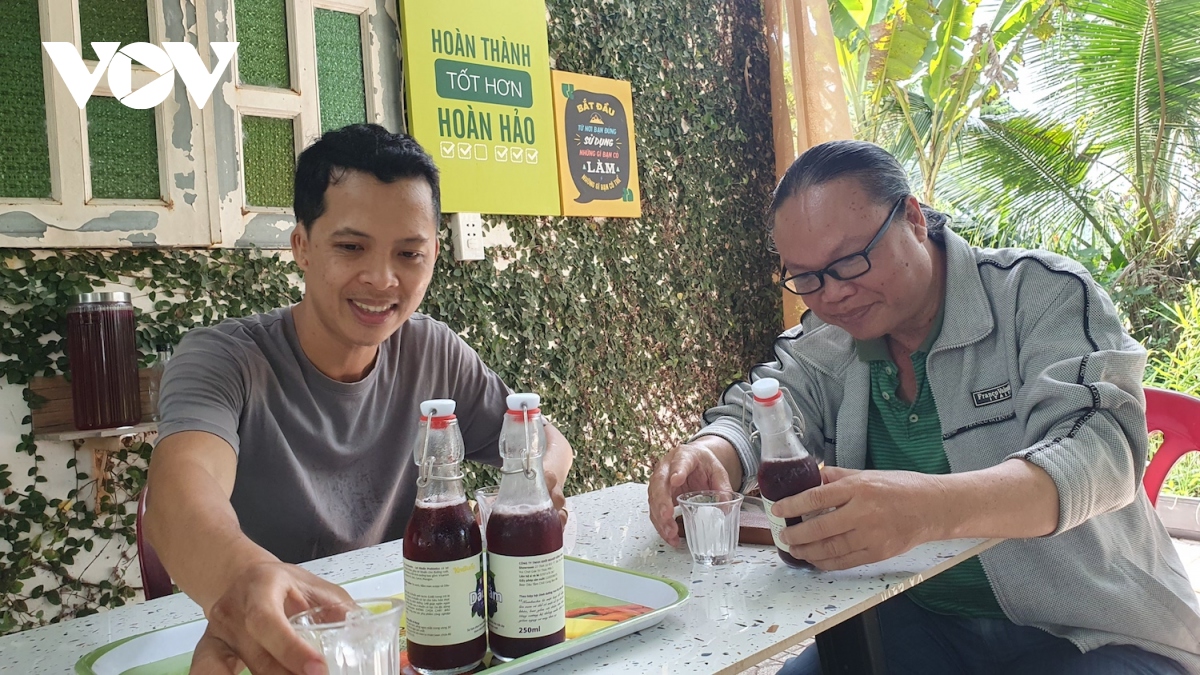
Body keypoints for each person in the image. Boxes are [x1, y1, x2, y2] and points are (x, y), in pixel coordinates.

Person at [648, 140, 1200, 674]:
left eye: (850, 261)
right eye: (807, 277)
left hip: (1094, 628)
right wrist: (713, 453)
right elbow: (766, 405)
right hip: (923, 620)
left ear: (913, 218)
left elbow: (1101, 452)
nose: (832, 294)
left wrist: (931, 509)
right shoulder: (828, 340)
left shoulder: (1038, 294)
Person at [145, 124, 575, 675]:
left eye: (409, 253)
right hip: (279, 642)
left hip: (413, 641)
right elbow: (178, 495)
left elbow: (544, 439)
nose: (382, 279)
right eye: (351, 247)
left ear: (433, 255)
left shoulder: (433, 352)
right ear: (301, 246)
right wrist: (242, 579)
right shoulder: (224, 360)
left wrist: (534, 489)